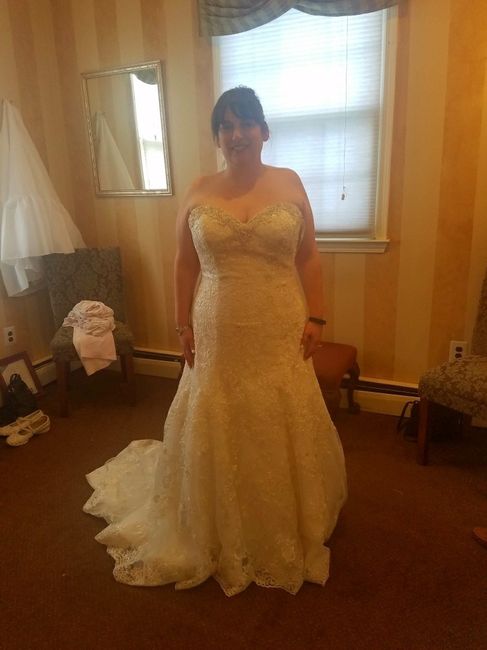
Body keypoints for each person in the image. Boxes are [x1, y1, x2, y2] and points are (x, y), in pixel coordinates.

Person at [83, 87, 347, 596]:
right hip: (216, 325)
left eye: (245, 123)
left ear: (264, 130)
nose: (236, 134)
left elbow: (309, 255)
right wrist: (181, 324)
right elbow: (184, 263)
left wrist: (317, 315)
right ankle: (214, 518)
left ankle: (282, 516)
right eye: (225, 126)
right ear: (217, 137)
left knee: (278, 409)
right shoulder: (199, 189)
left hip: (278, 322)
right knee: (218, 408)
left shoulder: (289, 182)